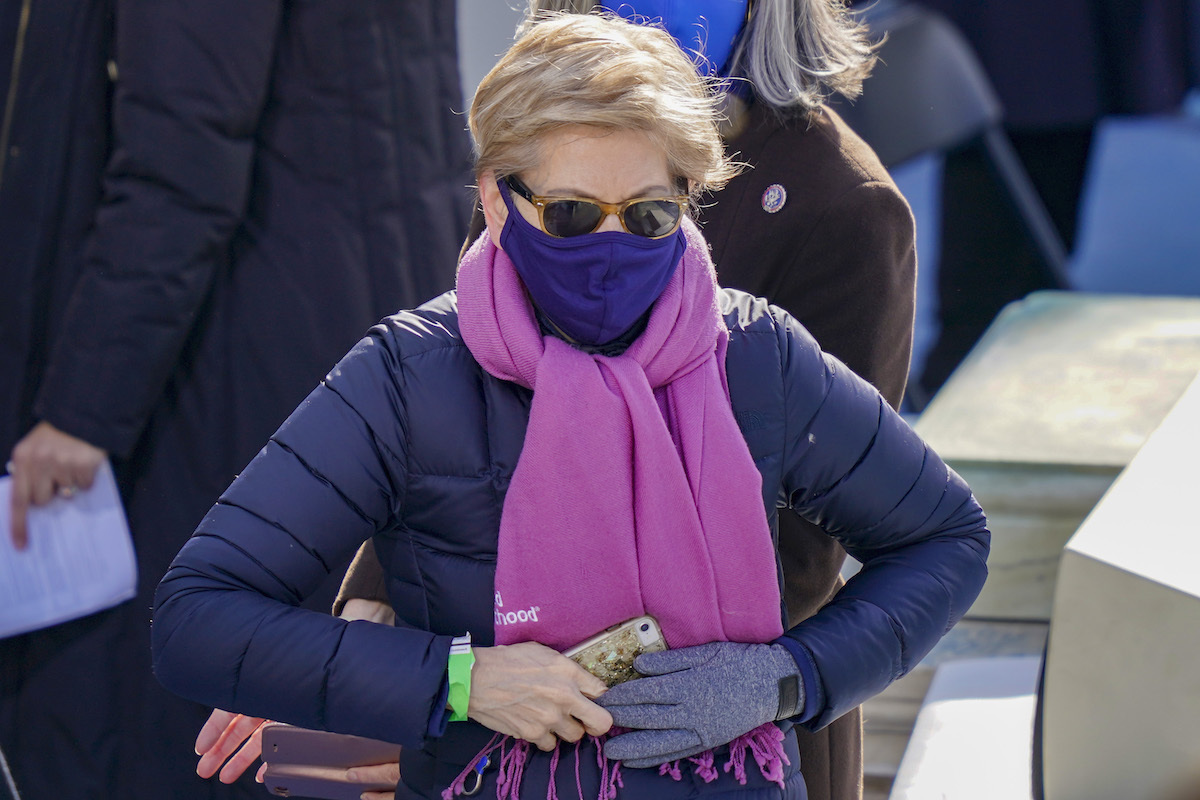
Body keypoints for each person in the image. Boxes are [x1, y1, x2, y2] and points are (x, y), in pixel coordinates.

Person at [152, 12, 988, 800]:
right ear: (494, 199)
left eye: (652, 215)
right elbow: (197, 614)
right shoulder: (408, 373)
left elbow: (946, 537)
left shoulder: (755, 354)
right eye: (572, 214)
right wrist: (458, 679)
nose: (611, 245)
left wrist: (786, 676)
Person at [0, 1, 472, 798]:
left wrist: (82, 406)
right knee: (306, 723)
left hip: (216, 350)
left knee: (167, 722)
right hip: (346, 311)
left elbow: (182, 150)